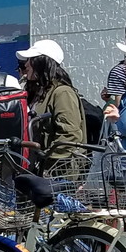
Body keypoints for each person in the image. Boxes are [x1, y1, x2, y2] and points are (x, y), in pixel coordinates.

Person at [15, 40, 83, 168]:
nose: (26, 64)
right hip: (36, 167)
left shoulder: (62, 93)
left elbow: (70, 134)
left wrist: (47, 157)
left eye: (30, 60)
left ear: (43, 63)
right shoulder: (38, 92)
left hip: (56, 171)